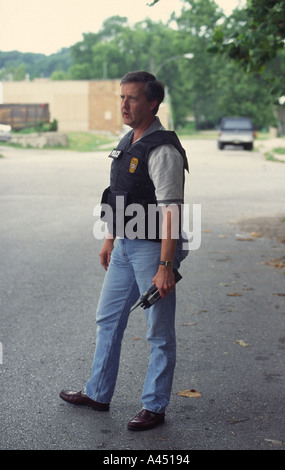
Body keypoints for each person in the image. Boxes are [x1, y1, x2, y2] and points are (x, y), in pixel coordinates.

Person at [60, 71, 189, 431]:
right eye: (121, 98)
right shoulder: (129, 139)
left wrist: (166, 265)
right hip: (125, 247)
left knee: (159, 333)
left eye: (131, 98)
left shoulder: (162, 150)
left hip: (153, 252)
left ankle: (155, 405)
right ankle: (98, 393)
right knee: (108, 320)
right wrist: (109, 238)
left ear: (152, 103)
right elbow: (121, 194)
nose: (124, 105)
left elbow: (171, 213)